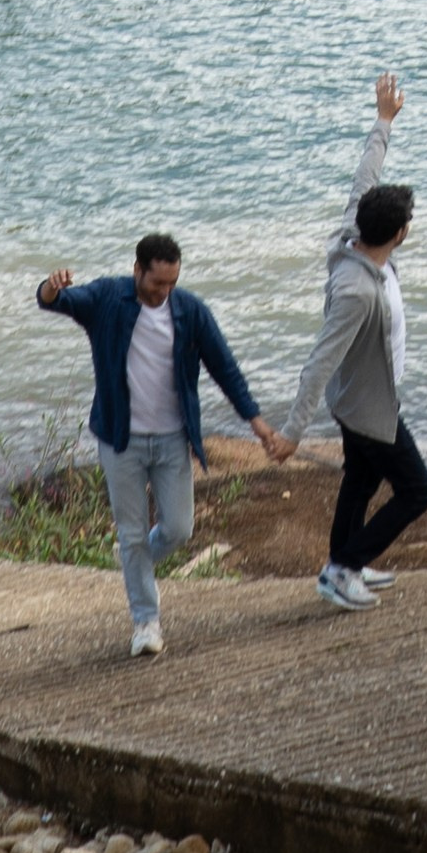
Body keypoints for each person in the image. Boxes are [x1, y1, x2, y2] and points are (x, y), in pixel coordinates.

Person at [34, 235, 292, 657]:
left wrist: (258, 424)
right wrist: (51, 285)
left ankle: (133, 560)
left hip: (174, 439)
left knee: (177, 529)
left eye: (171, 283)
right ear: (137, 271)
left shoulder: (189, 311)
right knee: (132, 532)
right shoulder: (106, 298)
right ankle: (145, 621)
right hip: (121, 440)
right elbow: (53, 302)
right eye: (157, 283)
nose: (164, 292)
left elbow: (224, 367)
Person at [278, 71, 427, 614]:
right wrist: (293, 432)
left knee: (360, 483)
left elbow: (364, 176)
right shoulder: (355, 292)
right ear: (398, 234)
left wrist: (384, 120)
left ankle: (342, 564)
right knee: (417, 492)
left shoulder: (353, 232)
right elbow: (320, 359)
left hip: (358, 398)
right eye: (408, 221)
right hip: (369, 408)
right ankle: (343, 569)